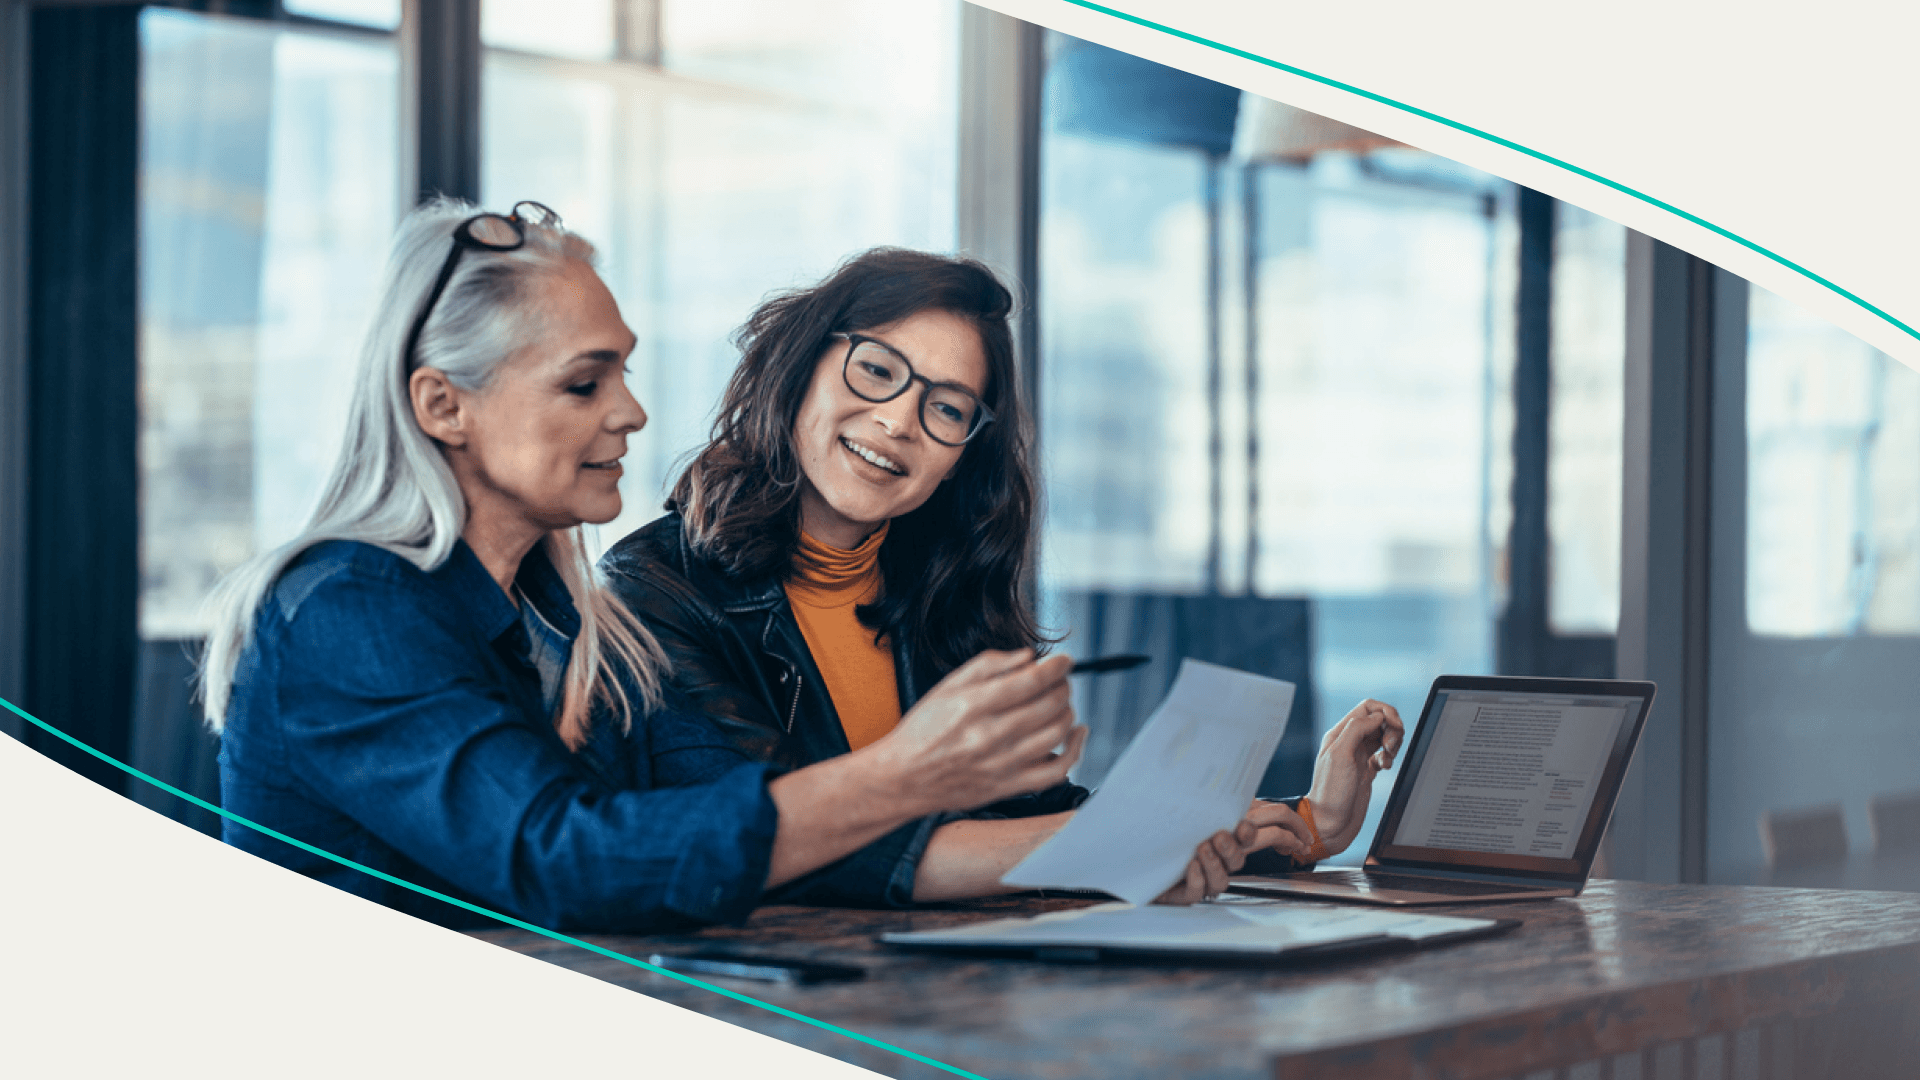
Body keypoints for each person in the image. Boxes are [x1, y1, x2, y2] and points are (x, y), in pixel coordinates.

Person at [203, 201, 1133, 933]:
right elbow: (563, 861)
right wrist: (904, 775)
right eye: (584, 383)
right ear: (444, 406)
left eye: (625, 375)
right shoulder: (348, 607)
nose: (633, 415)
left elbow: (656, 849)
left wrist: (1140, 832)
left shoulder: (556, 619)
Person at [600, 247, 1405, 908]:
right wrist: (1122, 845)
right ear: (801, 365)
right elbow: (771, 844)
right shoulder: (651, 591)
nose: (898, 421)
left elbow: (1029, 822)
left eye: (947, 408)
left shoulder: (938, 593)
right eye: (876, 370)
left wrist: (1308, 821)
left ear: (961, 458)